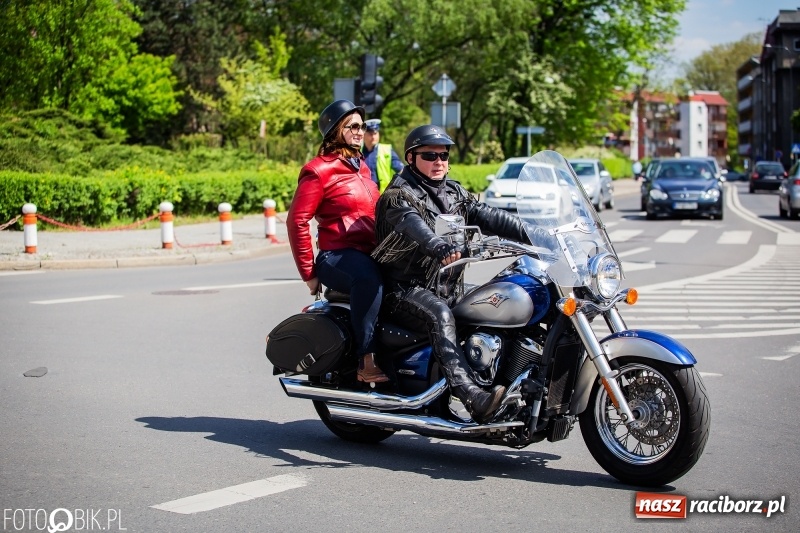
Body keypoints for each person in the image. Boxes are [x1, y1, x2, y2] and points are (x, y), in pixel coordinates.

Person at [371, 125, 551, 423]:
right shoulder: (398, 196)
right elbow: (414, 226)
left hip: (447, 286)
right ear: (411, 157)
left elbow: (490, 216)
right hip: (405, 289)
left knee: (497, 300)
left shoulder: (453, 193)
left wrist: (536, 234)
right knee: (440, 315)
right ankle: (471, 397)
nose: (439, 161)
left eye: (443, 155)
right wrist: (437, 245)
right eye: (430, 155)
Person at [286, 99, 388, 384]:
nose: (360, 131)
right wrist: (309, 273)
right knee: (369, 280)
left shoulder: (361, 168)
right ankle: (366, 359)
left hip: (369, 252)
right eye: (352, 126)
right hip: (337, 256)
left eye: (361, 126)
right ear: (335, 130)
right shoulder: (318, 170)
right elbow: (297, 221)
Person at [361, 118, 404, 191]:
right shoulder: (357, 152)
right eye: (370, 134)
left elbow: (401, 170)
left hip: (383, 194)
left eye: (375, 134)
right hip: (364, 193)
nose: (373, 137)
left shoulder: (386, 150)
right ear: (364, 135)